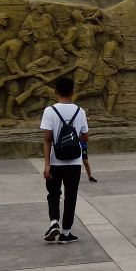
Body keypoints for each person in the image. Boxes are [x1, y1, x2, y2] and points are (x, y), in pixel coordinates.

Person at [40, 76, 89, 243]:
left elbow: (47, 139)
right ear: (73, 92)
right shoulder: (80, 111)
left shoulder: (49, 111)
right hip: (74, 163)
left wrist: (47, 164)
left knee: (53, 193)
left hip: (55, 161)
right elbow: (85, 136)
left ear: (55, 91)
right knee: (71, 196)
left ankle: (54, 222)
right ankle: (66, 233)